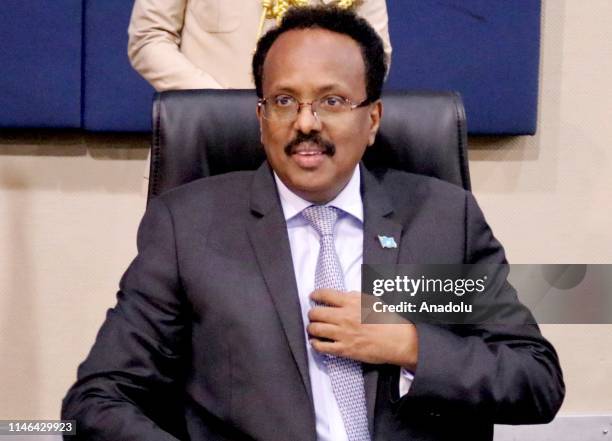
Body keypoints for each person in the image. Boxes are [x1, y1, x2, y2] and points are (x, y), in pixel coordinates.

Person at [63, 7, 564, 440]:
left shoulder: (440, 219)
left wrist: (410, 345)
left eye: (332, 101)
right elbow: (97, 402)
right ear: (261, 118)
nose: (306, 122)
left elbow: (536, 382)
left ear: (373, 120)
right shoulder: (189, 227)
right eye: (284, 101)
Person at [127, 0, 392, 91]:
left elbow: (374, 58)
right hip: (210, 149)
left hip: (314, 154)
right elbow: (149, 39)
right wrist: (219, 107)